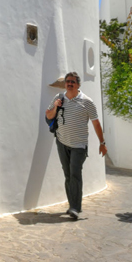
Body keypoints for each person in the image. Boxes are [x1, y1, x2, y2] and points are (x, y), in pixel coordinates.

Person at [45, 71, 107, 220]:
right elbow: (48, 115)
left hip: (79, 145)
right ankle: (72, 204)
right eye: (68, 81)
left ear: (78, 84)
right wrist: (55, 106)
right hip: (61, 142)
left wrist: (102, 143)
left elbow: (96, 123)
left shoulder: (87, 101)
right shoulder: (58, 98)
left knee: (75, 174)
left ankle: (75, 208)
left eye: (73, 81)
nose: (70, 84)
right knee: (68, 175)